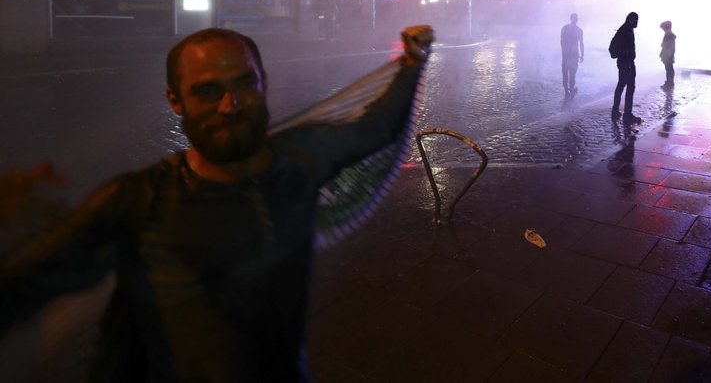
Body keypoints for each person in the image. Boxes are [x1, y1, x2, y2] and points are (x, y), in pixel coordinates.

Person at [0, 25, 434, 382]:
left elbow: (375, 130)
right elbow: (26, 283)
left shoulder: (300, 162)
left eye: (245, 84)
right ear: (176, 100)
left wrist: (413, 64)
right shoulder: (139, 199)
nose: (231, 106)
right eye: (207, 92)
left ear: (264, 83)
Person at [611, 12, 641, 123]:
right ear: (630, 20)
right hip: (626, 62)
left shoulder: (626, 29)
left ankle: (616, 111)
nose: (636, 22)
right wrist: (627, 56)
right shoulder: (626, 30)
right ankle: (627, 114)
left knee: (622, 85)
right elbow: (625, 48)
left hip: (626, 62)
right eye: (635, 20)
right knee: (629, 86)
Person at [560, 13, 585, 95]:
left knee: (565, 74)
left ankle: (567, 92)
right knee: (572, 74)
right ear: (576, 19)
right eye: (576, 18)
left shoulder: (564, 28)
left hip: (566, 54)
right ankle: (570, 91)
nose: (577, 19)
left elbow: (562, 42)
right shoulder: (578, 30)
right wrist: (582, 55)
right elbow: (581, 43)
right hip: (573, 55)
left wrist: (564, 52)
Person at [659, 20, 676, 89]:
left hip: (668, 55)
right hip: (668, 55)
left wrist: (667, 55)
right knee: (669, 69)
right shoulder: (669, 34)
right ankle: (669, 82)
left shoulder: (668, 35)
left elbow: (667, 46)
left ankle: (669, 83)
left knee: (669, 69)